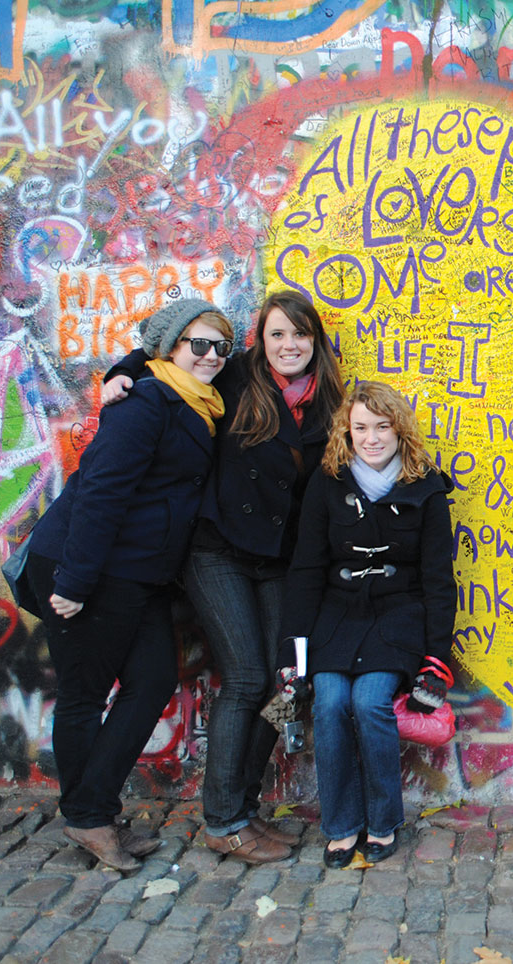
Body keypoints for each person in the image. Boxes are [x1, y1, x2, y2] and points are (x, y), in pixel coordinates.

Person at [103, 291, 344, 863]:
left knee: (286, 683)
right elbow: (167, 358)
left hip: (281, 560)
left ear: (316, 341)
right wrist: (122, 370)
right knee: (245, 678)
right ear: (261, 340)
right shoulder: (235, 376)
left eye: (300, 334)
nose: (290, 345)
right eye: (278, 334)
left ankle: (245, 804)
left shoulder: (329, 400)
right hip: (218, 550)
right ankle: (222, 820)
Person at [26, 299, 231, 871]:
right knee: (85, 695)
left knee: (151, 681)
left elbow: (158, 351)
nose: (212, 356)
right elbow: (100, 493)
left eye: (221, 346)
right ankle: (89, 819)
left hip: (135, 573)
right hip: (85, 565)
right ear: (171, 347)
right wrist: (75, 580)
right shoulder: (145, 404)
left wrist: (129, 362)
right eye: (199, 344)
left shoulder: (196, 397)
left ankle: (91, 809)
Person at [281, 382, 455, 869]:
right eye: (361, 428)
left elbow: (439, 581)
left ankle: (382, 820)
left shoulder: (426, 487)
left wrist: (435, 664)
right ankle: (340, 825)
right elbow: (306, 570)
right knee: (331, 700)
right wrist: (292, 656)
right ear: (346, 431)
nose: (372, 438)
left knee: (369, 700)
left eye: (382, 427)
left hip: (397, 618)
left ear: (399, 430)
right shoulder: (328, 482)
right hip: (337, 616)